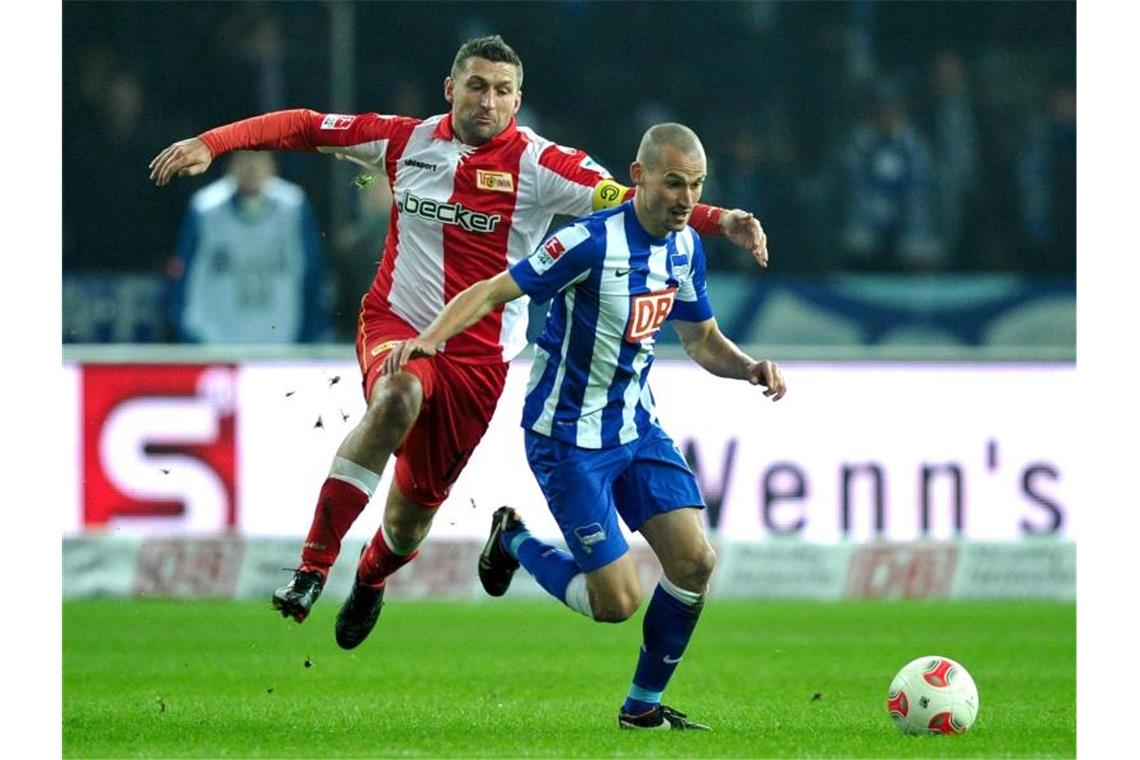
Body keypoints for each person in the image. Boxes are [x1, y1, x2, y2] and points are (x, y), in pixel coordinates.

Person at [149, 35, 770, 644]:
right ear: (451, 89)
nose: (487, 101)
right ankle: (312, 565)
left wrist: (723, 220)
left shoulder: (541, 164)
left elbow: (637, 200)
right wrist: (212, 141)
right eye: (476, 86)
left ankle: (370, 578)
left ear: (517, 101)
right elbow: (308, 126)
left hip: (481, 360)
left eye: (502, 91)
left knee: (409, 519)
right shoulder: (402, 141)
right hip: (399, 324)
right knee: (397, 397)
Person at [382, 123, 787, 730]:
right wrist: (429, 341)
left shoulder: (685, 248)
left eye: (696, 186)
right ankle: (513, 539)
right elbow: (494, 290)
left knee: (696, 563)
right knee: (616, 603)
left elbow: (700, 340)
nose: (684, 198)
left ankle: (642, 709)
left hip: (636, 428)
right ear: (638, 175)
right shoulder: (588, 242)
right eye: (673, 183)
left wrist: (750, 367)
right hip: (566, 438)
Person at [169, 150, 326, 343]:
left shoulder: (293, 208)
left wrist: (308, 336)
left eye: (259, 160)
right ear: (230, 165)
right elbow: (184, 276)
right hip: (216, 340)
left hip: (281, 339)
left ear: (273, 165)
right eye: (244, 160)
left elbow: (311, 275)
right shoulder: (205, 208)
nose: (252, 168)